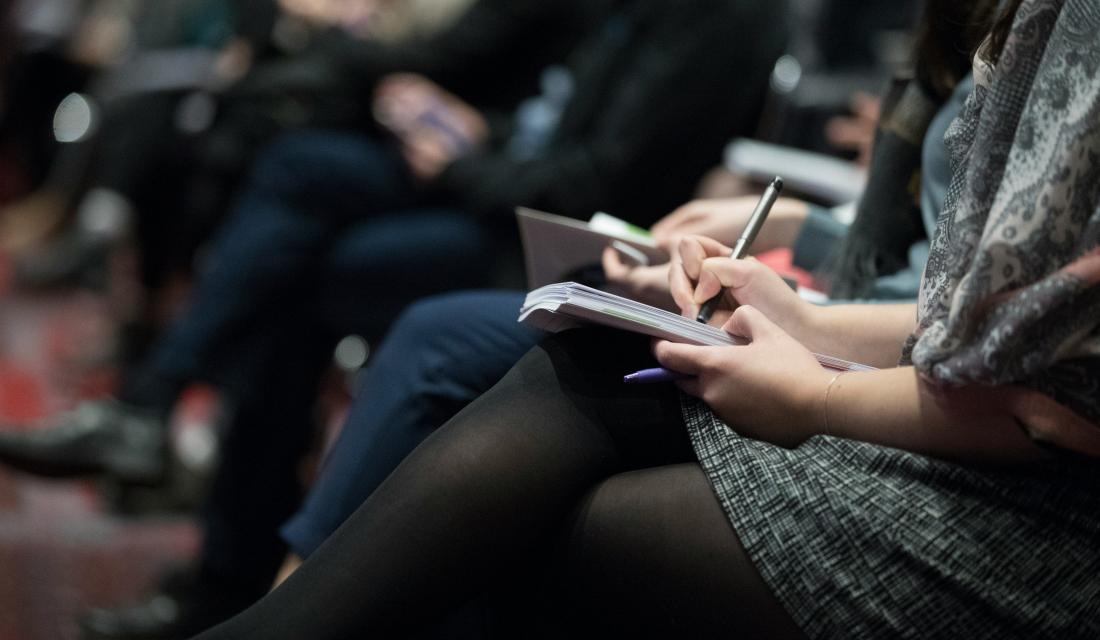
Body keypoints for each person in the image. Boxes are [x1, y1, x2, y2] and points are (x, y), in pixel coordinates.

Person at [193, 0, 1100, 636]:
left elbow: (1047, 396)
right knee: (549, 354)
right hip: (927, 376)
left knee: (522, 505)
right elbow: (974, 319)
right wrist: (807, 320)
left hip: (1039, 519)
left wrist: (818, 383)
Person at [0, 0, 790, 636]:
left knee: (311, 275)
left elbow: (596, 180)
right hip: (507, 190)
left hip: (576, 249)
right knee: (295, 176)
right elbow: (541, 107)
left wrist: (464, 158)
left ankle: (244, 573)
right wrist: (473, 132)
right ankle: (217, 533)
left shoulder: (721, 19)